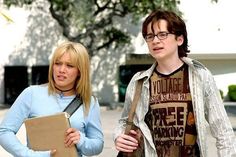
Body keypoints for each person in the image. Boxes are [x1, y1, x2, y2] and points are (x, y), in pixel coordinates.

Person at [114, 10, 236, 157]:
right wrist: (118, 137)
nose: (155, 41)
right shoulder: (139, 81)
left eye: (163, 34)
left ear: (179, 39)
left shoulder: (200, 76)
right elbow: (124, 122)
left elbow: (224, 133)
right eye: (150, 36)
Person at [0, 41, 104, 157]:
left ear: (80, 71)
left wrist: (81, 140)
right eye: (58, 63)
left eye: (69, 66)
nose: (61, 70)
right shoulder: (31, 94)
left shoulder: (89, 102)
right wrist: (28, 154)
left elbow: (98, 145)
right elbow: (4, 132)